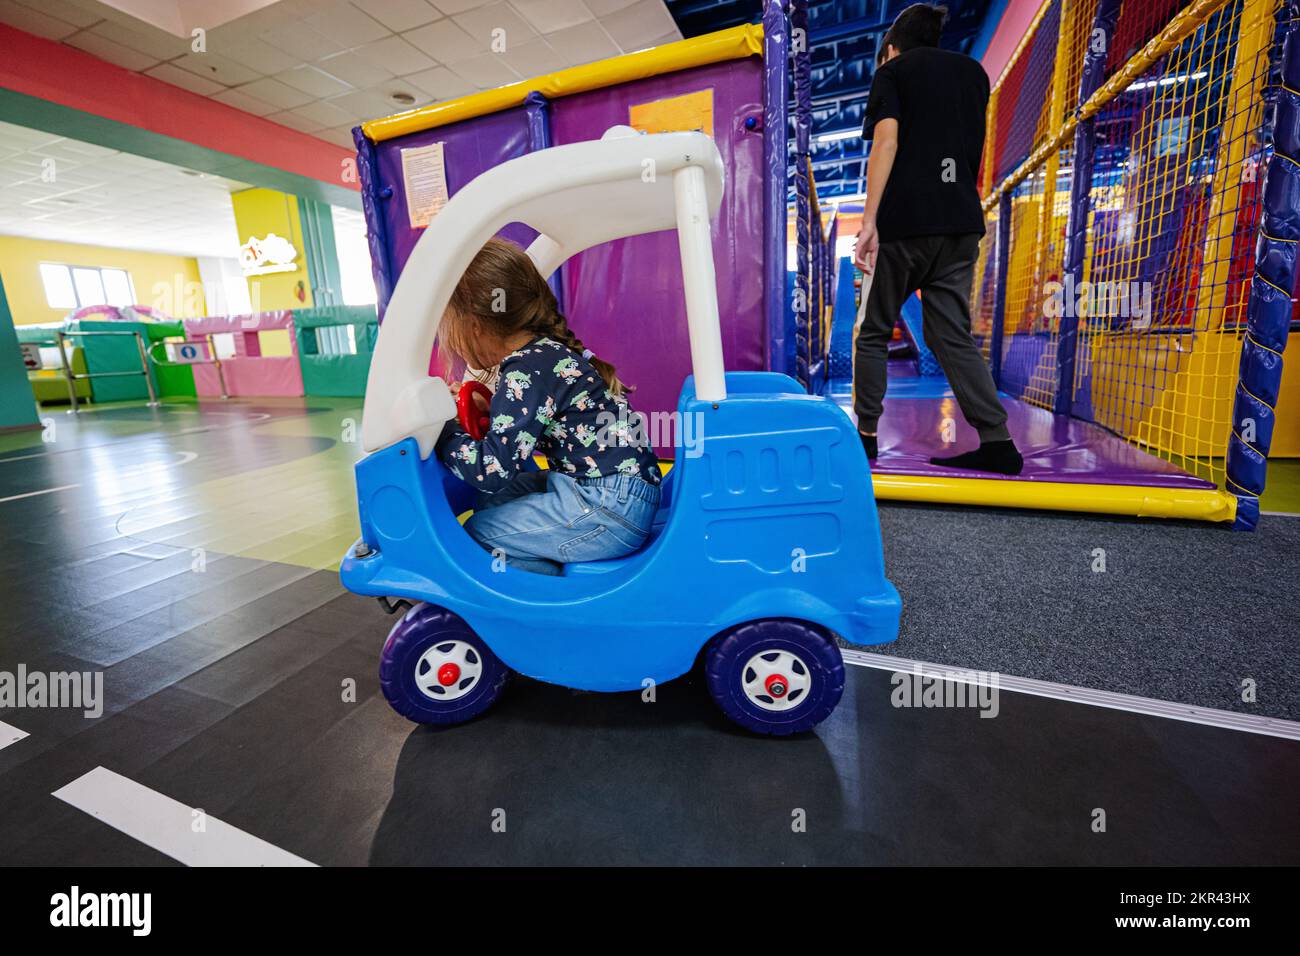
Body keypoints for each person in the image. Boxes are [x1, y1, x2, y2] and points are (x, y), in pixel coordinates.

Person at [853, 3, 1023, 475]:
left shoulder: (892, 72)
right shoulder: (973, 75)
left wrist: (869, 221)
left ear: (890, 48)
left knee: (871, 330)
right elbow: (969, 152)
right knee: (950, 334)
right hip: (960, 222)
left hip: (904, 223)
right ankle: (997, 441)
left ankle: (866, 437)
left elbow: (886, 142)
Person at [435, 238, 663, 575]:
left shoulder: (525, 369)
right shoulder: (543, 354)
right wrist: (487, 406)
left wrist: (446, 429)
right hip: (616, 495)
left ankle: (544, 606)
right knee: (494, 502)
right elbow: (523, 429)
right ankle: (544, 559)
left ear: (474, 324)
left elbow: (492, 470)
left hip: (607, 507)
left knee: (481, 533)